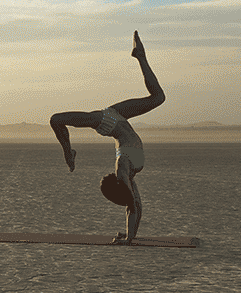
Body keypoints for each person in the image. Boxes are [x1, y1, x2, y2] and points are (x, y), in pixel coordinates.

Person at [49, 31, 165, 244]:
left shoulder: (122, 168)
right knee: (158, 97)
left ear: (119, 186)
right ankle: (140, 55)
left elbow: (132, 204)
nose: (131, 192)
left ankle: (68, 152)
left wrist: (128, 237)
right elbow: (135, 206)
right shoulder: (127, 174)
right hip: (118, 117)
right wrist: (129, 238)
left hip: (107, 121)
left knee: (56, 119)